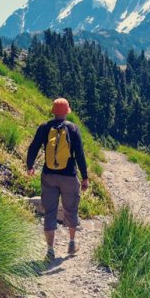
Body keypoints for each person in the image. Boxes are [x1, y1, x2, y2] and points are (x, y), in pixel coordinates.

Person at [26, 98, 89, 263]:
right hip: (68, 176)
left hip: (49, 175)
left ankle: (50, 250)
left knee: (50, 212)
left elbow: (33, 147)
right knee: (71, 209)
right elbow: (80, 155)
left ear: (53, 111)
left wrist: (30, 166)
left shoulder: (45, 128)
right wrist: (85, 177)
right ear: (67, 112)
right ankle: (71, 243)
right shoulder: (73, 129)